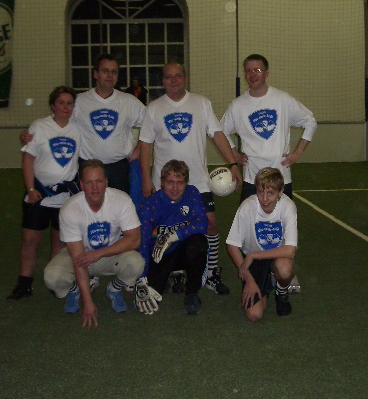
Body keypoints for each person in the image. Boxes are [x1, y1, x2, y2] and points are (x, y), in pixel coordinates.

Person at [139, 60, 242, 296]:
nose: (173, 80)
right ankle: (176, 272)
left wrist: (233, 163)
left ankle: (212, 273)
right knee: (167, 228)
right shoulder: (153, 108)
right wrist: (146, 179)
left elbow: (217, 135)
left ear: (185, 78)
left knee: (210, 224)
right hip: (166, 184)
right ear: (162, 81)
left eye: (178, 76)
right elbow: (145, 145)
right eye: (168, 77)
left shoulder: (201, 103)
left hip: (197, 180)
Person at [220, 53, 316, 292]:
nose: (252, 75)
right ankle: (253, 271)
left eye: (257, 70)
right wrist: (234, 154)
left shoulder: (282, 99)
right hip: (252, 179)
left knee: (282, 231)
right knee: (250, 231)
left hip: (281, 179)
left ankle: (285, 272)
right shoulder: (238, 105)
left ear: (267, 73)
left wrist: (297, 152)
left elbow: (310, 121)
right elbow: (221, 131)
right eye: (248, 70)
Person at [22, 53, 145, 195]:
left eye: (114, 72)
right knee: (87, 208)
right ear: (95, 74)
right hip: (87, 167)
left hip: (118, 168)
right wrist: (30, 135)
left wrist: (139, 149)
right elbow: (57, 124)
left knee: (118, 207)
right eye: (105, 71)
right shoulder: (79, 101)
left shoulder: (129, 102)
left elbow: (151, 124)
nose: (110, 75)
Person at [43, 160, 144, 328]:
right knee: (52, 277)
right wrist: (87, 302)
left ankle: (114, 289)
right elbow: (78, 260)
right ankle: (75, 289)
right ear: (81, 185)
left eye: (99, 181)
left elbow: (134, 239)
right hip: (80, 256)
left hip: (110, 254)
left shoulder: (122, 200)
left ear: (106, 182)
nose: (95, 187)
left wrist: (98, 253)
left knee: (136, 263)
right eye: (89, 182)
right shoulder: (70, 209)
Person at [8, 86, 81, 300]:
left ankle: (54, 281)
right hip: (39, 194)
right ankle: (24, 284)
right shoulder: (39, 127)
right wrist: (30, 189)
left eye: (69, 103)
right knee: (30, 240)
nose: (65, 107)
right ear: (52, 105)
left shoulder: (78, 129)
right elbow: (28, 159)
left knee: (59, 243)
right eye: (61, 103)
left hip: (65, 198)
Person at [135, 160, 209, 316]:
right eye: (170, 182)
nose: (175, 188)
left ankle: (192, 293)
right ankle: (167, 279)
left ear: (186, 183)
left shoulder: (191, 193)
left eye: (180, 183)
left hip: (183, 251)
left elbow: (202, 223)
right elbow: (142, 243)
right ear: (162, 182)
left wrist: (174, 236)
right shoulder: (150, 205)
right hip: (160, 255)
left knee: (199, 242)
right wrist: (142, 279)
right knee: (152, 294)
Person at [226, 167, 298, 322]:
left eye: (271, 193)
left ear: (281, 192)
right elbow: (232, 245)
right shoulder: (247, 206)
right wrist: (249, 280)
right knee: (254, 315)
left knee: (285, 268)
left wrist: (253, 255)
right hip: (255, 264)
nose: (264, 199)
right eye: (260, 192)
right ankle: (265, 284)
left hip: (276, 257)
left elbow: (290, 250)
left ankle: (281, 291)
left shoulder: (288, 206)